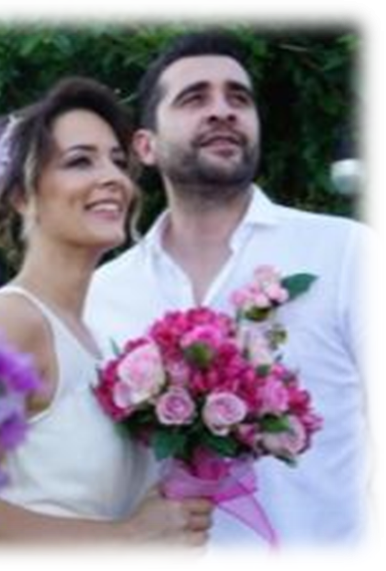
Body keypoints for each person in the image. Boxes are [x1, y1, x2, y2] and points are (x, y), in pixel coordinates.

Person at [87, 32, 384, 567]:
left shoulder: (343, 252)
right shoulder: (105, 293)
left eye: (238, 98)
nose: (223, 110)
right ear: (145, 147)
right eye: (194, 98)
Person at [0, 77, 214, 566]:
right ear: (22, 195)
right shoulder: (11, 322)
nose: (113, 178)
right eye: (80, 161)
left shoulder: (103, 342)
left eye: (118, 161)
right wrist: (122, 541)